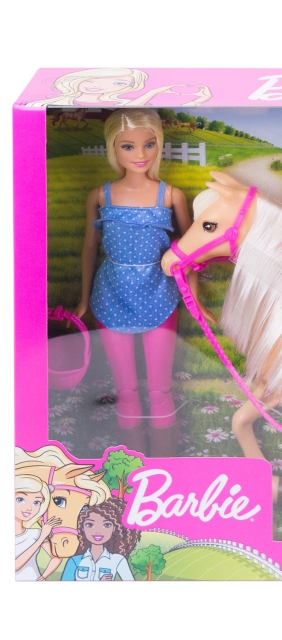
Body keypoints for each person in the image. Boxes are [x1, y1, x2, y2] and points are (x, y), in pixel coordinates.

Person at [75, 108, 201, 455]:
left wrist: (195, 300)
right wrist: (84, 300)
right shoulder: (101, 196)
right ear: (113, 149)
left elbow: (188, 251)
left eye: (149, 144)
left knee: (160, 389)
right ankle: (132, 463)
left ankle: (165, 460)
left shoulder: (170, 195)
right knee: (126, 390)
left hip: (159, 292)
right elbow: (89, 247)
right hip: (111, 294)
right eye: (128, 146)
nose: (140, 154)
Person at [27, 68, 211, 107]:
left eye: (119, 83)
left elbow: (138, 105)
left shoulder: (122, 104)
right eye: (94, 80)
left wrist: (202, 100)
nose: (98, 86)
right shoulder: (44, 105)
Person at [61, 499, 140, 581]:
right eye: (89, 525)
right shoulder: (75, 560)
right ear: (82, 528)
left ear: (114, 528)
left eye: (106, 525)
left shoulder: (118, 560)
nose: (98, 531)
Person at [15, 475, 62, 581]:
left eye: (36, 502)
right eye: (20, 499)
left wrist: (43, 577)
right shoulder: (40, 535)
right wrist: (41, 538)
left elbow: (56, 558)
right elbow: (15, 566)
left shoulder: (36, 533)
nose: (29, 508)